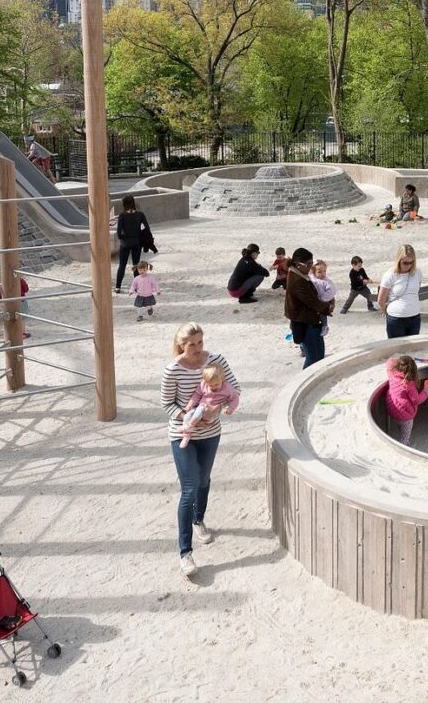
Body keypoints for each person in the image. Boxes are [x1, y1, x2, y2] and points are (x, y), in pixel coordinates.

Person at [159, 323, 241, 577]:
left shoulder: (216, 361)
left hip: (210, 433)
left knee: (204, 480)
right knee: (190, 487)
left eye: (200, 343)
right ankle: (185, 553)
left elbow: (234, 389)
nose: (197, 349)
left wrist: (216, 411)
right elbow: (166, 403)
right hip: (182, 432)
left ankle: (199, 519)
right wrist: (189, 417)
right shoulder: (172, 369)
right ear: (182, 345)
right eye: (191, 344)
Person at [284, 247, 331, 368]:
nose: (311, 266)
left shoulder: (299, 273)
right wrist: (329, 307)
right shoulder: (297, 280)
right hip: (305, 323)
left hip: (311, 320)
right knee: (314, 358)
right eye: (308, 264)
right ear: (298, 264)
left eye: (311, 262)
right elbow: (313, 302)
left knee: (319, 356)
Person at [179, 364, 239, 449]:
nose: (214, 387)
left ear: (222, 379)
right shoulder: (203, 385)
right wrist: (189, 406)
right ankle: (186, 436)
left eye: (216, 384)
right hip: (201, 407)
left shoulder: (227, 388)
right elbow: (196, 395)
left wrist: (231, 408)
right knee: (187, 415)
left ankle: (189, 426)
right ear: (205, 381)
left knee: (201, 410)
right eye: (211, 385)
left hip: (212, 413)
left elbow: (235, 398)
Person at [383, 354, 428, 444]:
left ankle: (401, 431)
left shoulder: (392, 372)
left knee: (400, 422)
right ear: (413, 371)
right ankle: (404, 443)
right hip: (405, 415)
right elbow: (417, 400)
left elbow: (390, 360)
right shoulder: (408, 384)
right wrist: (426, 391)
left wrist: (405, 360)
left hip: (391, 408)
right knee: (405, 434)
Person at [378, 244, 423, 338]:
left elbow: (416, 292)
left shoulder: (417, 272)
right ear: (399, 260)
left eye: (411, 262)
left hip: (414, 316)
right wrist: (384, 311)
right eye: (405, 263)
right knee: (396, 350)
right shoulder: (390, 274)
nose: (408, 265)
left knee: (412, 349)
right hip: (395, 318)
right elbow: (381, 299)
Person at [114, 196, 150, 292]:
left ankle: (118, 287)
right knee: (136, 265)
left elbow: (119, 232)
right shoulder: (140, 215)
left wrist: (123, 239)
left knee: (122, 265)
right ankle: (137, 287)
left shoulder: (122, 215)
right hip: (136, 243)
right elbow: (146, 229)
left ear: (124, 204)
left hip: (125, 243)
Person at [311, 259, 337, 336]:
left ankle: (324, 326)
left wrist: (322, 299)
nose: (323, 274)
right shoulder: (311, 278)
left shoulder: (327, 281)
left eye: (324, 271)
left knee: (322, 313)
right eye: (319, 272)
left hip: (323, 301)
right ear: (313, 272)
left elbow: (331, 291)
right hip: (314, 300)